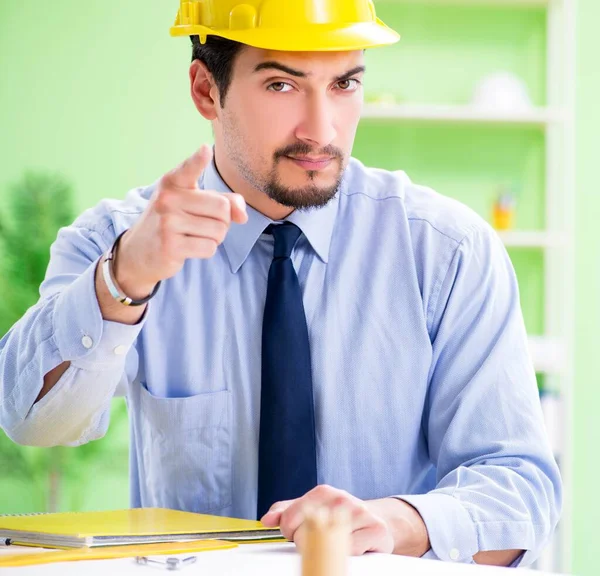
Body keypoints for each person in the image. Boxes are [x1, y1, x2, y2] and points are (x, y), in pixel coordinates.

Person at [0, 0, 560, 567]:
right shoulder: (121, 243)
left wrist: (393, 522)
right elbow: (31, 420)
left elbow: (520, 488)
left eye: (344, 83)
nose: (322, 130)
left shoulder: (447, 252)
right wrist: (123, 283)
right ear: (205, 91)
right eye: (282, 86)